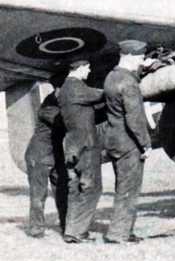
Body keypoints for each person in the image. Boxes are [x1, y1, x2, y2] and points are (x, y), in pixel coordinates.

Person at [102, 40, 154, 244]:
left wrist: (145, 68)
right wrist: (145, 144)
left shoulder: (112, 77)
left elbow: (126, 86)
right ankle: (118, 234)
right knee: (129, 189)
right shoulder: (129, 83)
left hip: (114, 139)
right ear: (131, 56)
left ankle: (124, 230)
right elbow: (135, 118)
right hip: (129, 143)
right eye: (140, 58)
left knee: (121, 186)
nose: (141, 62)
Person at [58, 60, 104, 243]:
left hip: (70, 146)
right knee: (91, 188)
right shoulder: (76, 87)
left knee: (75, 189)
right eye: (88, 68)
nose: (90, 70)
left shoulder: (63, 90)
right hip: (86, 145)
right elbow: (103, 94)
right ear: (79, 68)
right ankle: (79, 232)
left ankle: (71, 230)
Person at [24, 75, 68, 238]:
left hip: (54, 153)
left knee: (63, 190)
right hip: (39, 155)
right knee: (38, 193)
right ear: (58, 88)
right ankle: (36, 229)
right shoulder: (49, 106)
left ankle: (67, 226)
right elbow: (65, 123)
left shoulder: (60, 101)